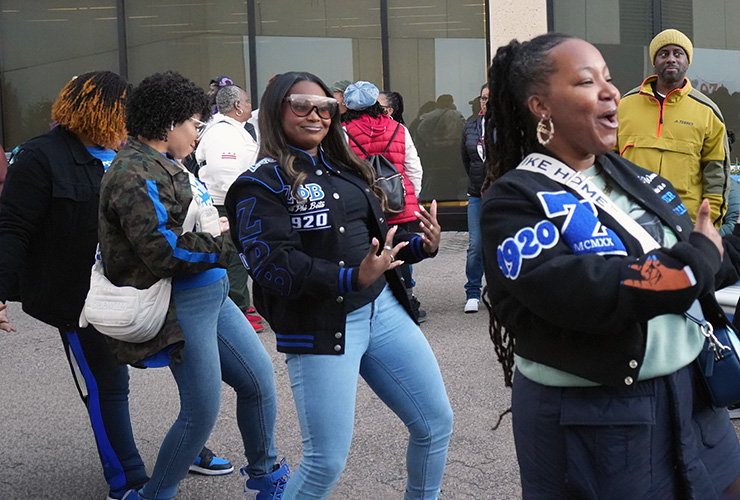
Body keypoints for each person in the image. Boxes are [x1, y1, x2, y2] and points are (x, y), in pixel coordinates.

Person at [481, 32, 740, 498]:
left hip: (692, 397)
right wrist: (694, 262)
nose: (611, 92)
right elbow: (590, 292)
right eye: (586, 82)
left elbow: (710, 259)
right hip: (595, 418)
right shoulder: (512, 201)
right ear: (541, 106)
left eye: (608, 77)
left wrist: (713, 254)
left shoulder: (630, 175)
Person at [225, 71, 453, 500]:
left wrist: (421, 246)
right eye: (301, 105)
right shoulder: (259, 183)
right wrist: (349, 277)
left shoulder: (346, 168)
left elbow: (375, 242)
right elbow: (271, 264)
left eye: (326, 107)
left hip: (382, 309)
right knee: (325, 462)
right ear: (276, 110)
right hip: (321, 326)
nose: (316, 114)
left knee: (434, 423)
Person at [98, 71, 288, 500]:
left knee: (258, 382)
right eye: (194, 124)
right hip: (185, 301)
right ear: (170, 123)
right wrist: (227, 240)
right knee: (200, 412)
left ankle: (266, 475)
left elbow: (180, 229)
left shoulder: (161, 162)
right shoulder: (135, 172)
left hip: (209, 295)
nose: (198, 134)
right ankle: (156, 495)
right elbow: (164, 253)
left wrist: (215, 231)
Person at [617, 28, 731, 229]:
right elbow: (606, 163)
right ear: (654, 60)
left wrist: (708, 225)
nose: (671, 59)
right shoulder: (624, 106)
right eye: (664, 54)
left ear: (688, 61)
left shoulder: (707, 111)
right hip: (631, 222)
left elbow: (716, 175)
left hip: (687, 225)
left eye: (678, 54)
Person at [342, 81, 427, 322]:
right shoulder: (398, 128)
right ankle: (408, 299)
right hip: (398, 202)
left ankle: (378, 302)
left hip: (363, 205)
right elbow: (414, 168)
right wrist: (411, 195)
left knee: (369, 251)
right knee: (401, 250)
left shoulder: (342, 132)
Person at [195, 84, 263, 332]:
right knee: (233, 256)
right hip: (226, 203)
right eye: (246, 101)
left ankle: (239, 304)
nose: (248, 105)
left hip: (230, 201)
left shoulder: (230, 129)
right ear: (236, 106)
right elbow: (224, 171)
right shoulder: (224, 132)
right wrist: (244, 198)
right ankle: (239, 308)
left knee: (235, 255)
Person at [460, 83, 488, 313]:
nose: (486, 102)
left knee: (502, 244)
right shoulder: (471, 126)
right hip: (477, 193)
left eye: (490, 98)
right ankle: (473, 292)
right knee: (476, 245)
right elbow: (466, 159)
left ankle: (504, 293)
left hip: (502, 195)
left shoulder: (510, 127)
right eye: (483, 98)